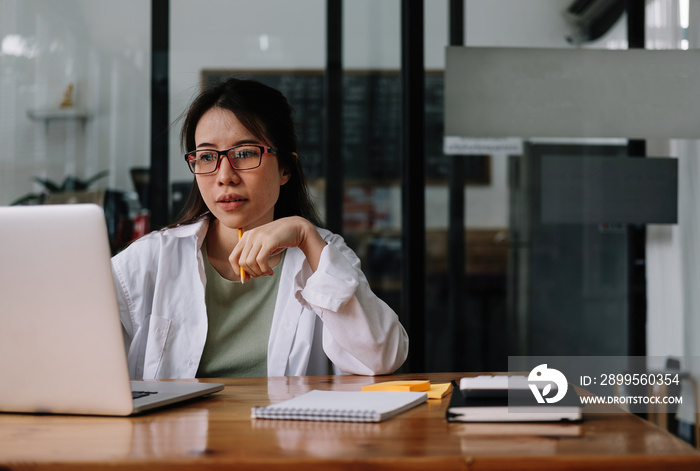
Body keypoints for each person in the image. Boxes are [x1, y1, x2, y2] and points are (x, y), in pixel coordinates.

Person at [111, 78, 408, 379]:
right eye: (207, 157)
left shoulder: (322, 253)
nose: (225, 176)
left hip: (287, 426)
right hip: (179, 428)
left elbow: (382, 358)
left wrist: (306, 235)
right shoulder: (151, 258)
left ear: (285, 169)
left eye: (244, 153)